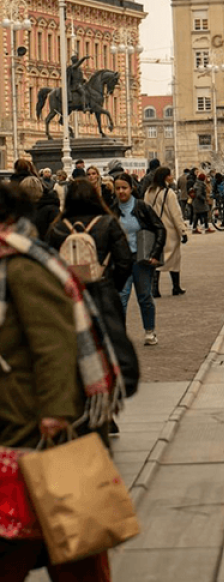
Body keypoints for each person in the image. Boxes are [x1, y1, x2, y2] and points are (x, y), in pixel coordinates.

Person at [0, 181, 123, 582]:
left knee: (76, 564)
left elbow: (53, 346)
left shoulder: (24, 270)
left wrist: (53, 414)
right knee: (76, 565)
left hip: (33, 434)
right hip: (22, 434)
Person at [46, 178, 137, 407]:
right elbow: (125, 260)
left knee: (76, 350)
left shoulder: (57, 227)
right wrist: (111, 284)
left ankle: (84, 401)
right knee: (109, 348)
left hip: (70, 297)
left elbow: (48, 263)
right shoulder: (107, 222)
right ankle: (110, 404)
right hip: (102, 290)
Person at [112, 172, 165, 346]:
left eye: (124, 188)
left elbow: (160, 228)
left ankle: (149, 331)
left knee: (144, 296)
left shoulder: (142, 207)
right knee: (121, 297)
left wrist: (155, 254)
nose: (121, 192)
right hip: (121, 260)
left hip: (141, 259)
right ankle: (120, 335)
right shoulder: (112, 209)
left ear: (131, 188)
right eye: (118, 188)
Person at [144, 166, 189, 296]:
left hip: (154, 230)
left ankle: (154, 289)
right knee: (174, 260)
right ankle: (176, 287)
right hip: (169, 231)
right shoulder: (169, 193)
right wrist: (183, 231)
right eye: (170, 175)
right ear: (165, 177)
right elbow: (176, 215)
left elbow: (146, 211)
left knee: (156, 258)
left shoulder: (148, 192)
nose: (172, 176)